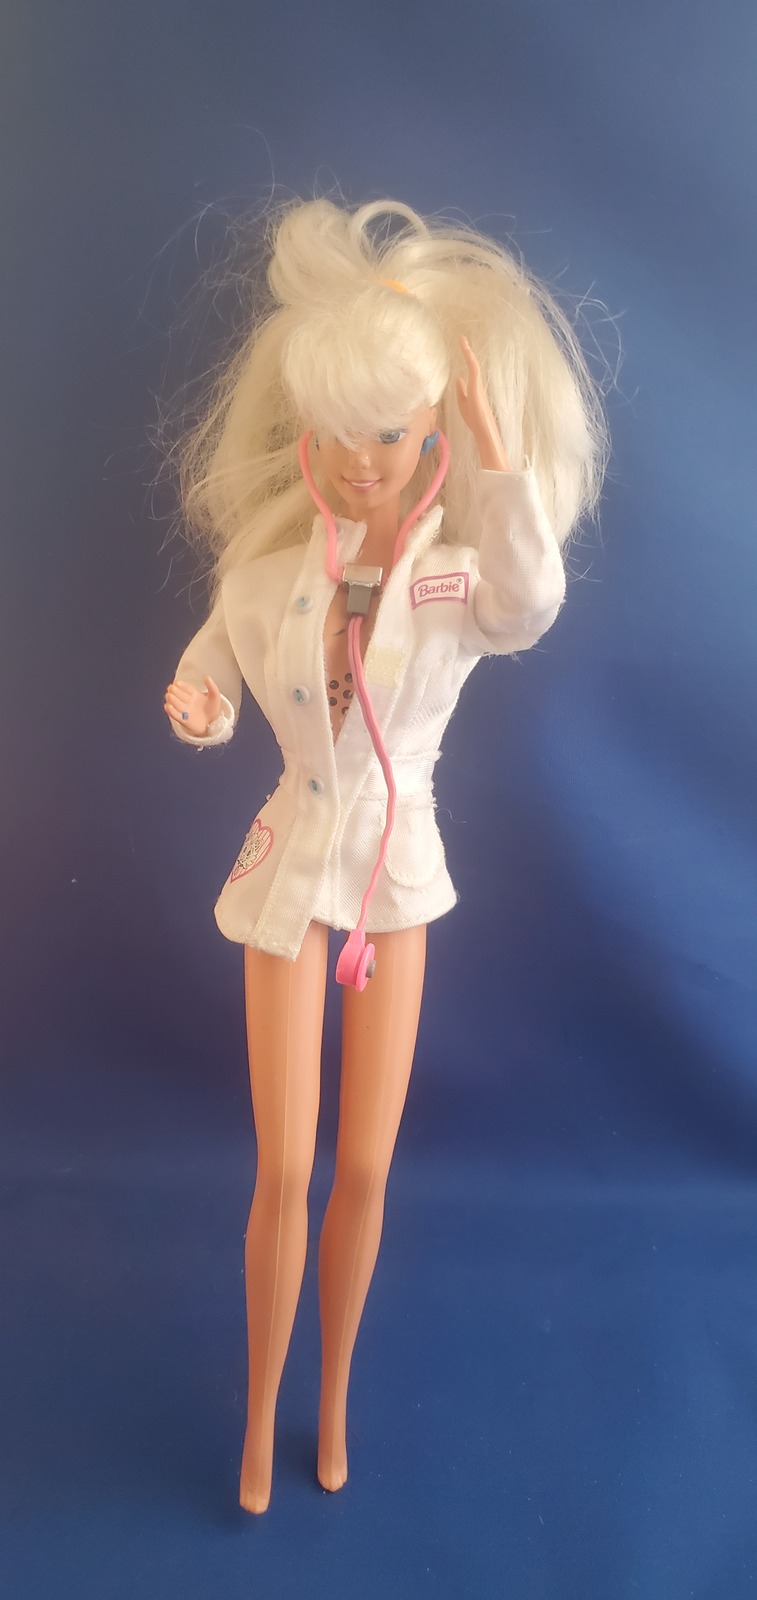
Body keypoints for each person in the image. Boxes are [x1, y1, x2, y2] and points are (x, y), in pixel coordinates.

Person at [162, 195, 607, 1511]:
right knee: (286, 1168)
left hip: (395, 880)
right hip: (288, 870)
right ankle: (259, 1419)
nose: (365, 463)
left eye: (395, 437)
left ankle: (335, 1404)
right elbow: (211, 668)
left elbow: (528, 603)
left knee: (365, 1169)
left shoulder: (454, 581)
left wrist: (498, 467)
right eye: (343, 436)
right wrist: (198, 705)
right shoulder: (264, 579)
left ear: (428, 441)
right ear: (309, 436)